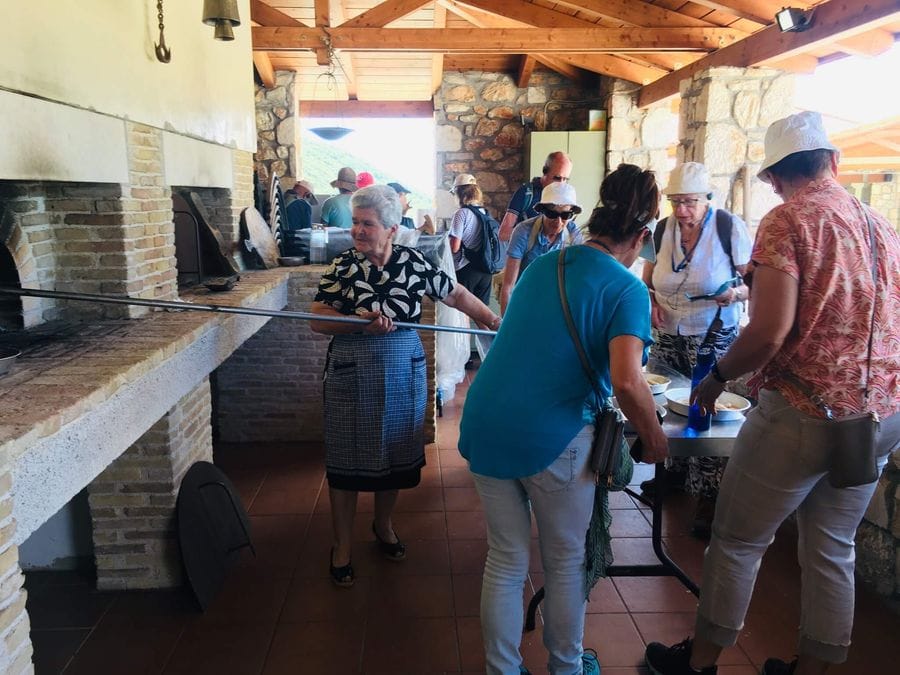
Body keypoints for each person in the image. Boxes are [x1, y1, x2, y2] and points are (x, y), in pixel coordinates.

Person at [644, 111, 900, 675]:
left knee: (737, 542)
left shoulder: (788, 221)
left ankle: (700, 662)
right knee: (834, 548)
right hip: (878, 416)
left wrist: (713, 383)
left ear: (774, 178)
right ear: (833, 162)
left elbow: (767, 332)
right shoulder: (882, 226)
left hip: (804, 411)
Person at [459, 164, 669, 675]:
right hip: (552, 435)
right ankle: (567, 668)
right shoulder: (627, 290)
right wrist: (656, 441)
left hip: (485, 419)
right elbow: (627, 380)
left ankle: (503, 670)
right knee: (565, 562)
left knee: (505, 560)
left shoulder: (542, 265)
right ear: (642, 236)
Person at [310, 184, 501, 588]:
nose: (358, 231)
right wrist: (357, 323)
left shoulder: (414, 263)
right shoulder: (343, 265)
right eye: (356, 223)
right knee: (345, 461)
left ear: (392, 229)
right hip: (351, 370)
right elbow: (316, 318)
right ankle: (341, 545)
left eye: (368, 224)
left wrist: (494, 322)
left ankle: (383, 526)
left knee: (393, 453)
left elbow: (457, 294)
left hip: (401, 370)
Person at [640, 161, 752, 537]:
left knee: (706, 411)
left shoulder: (728, 228)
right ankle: (671, 474)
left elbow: (754, 283)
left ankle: (709, 495)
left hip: (712, 331)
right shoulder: (661, 229)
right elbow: (648, 276)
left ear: (707, 199)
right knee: (665, 407)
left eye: (689, 202)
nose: (682, 210)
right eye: (676, 202)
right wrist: (652, 301)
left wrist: (733, 293)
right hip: (669, 329)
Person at [498, 181, 584, 316]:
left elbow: (578, 283)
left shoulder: (574, 236)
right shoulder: (523, 232)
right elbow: (509, 286)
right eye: (552, 214)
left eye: (565, 215)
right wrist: (506, 325)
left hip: (556, 306)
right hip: (525, 300)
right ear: (542, 210)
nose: (558, 222)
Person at [498, 151, 572, 242]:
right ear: (545, 171)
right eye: (557, 178)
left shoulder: (567, 196)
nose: (561, 184)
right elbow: (503, 234)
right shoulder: (526, 193)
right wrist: (535, 232)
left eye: (565, 179)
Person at [448, 174, 492, 305]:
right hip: (485, 269)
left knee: (464, 311)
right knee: (482, 312)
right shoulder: (484, 212)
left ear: (458, 193)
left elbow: (454, 247)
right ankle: (492, 327)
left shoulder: (461, 213)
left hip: (466, 268)